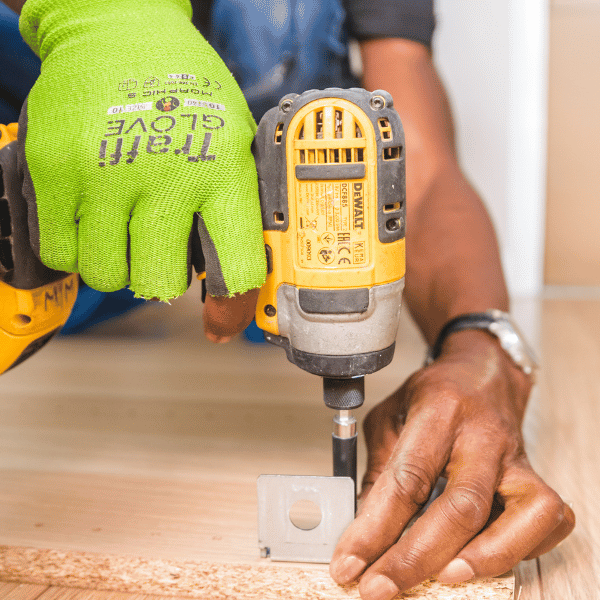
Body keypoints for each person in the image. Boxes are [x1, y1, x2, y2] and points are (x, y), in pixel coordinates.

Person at [1, 0, 575, 598]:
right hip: (66, 210)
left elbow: (418, 169)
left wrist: (480, 343)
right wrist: (99, 16)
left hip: (243, 248)